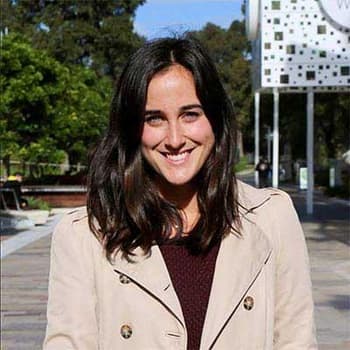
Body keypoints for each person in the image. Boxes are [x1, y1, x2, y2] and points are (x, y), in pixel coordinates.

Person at [44, 36, 317, 349]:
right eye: (154, 118)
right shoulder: (85, 236)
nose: (174, 139)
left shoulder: (272, 219)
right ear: (132, 127)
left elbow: (296, 341)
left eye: (190, 114)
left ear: (215, 120)